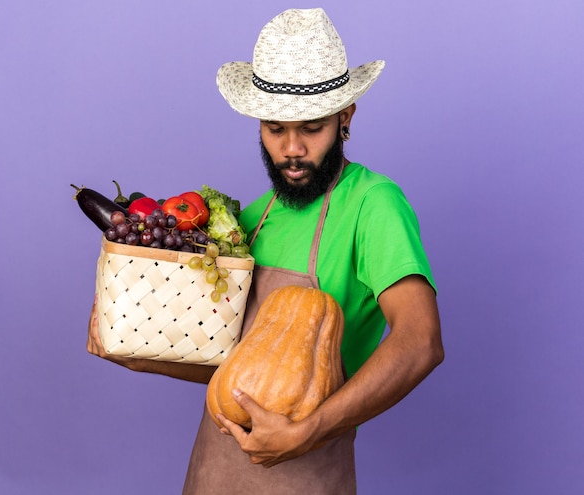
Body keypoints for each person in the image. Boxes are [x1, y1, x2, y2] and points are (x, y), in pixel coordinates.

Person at [87, 8, 444, 494]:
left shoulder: (372, 204)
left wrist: (309, 430)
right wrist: (137, 354)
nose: (291, 149)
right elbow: (234, 362)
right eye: (275, 129)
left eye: (310, 128)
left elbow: (420, 342)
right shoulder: (255, 219)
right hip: (215, 469)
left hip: (307, 466)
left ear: (345, 117)